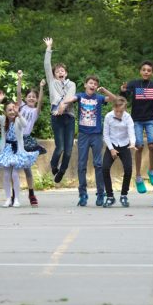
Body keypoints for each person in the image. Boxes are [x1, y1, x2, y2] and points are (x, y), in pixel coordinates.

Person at [61, 76, 117, 207]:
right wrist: (63, 103)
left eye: (95, 84)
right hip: (83, 135)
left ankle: (101, 193)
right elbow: (71, 99)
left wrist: (105, 91)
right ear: (85, 85)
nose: (93, 85)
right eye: (91, 83)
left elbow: (115, 99)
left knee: (98, 164)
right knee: (81, 165)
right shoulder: (80, 96)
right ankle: (82, 194)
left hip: (96, 135)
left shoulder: (99, 98)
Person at [120, 61, 153, 194]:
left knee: (151, 146)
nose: (146, 72)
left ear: (152, 73)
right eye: (144, 69)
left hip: (150, 119)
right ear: (140, 71)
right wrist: (123, 90)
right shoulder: (134, 83)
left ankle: (151, 170)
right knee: (139, 146)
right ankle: (138, 177)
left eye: (149, 70)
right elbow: (124, 97)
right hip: (136, 120)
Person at [0, 92, 39, 208]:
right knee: (6, 174)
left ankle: (16, 199)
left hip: (17, 150)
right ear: (5, 112)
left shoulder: (18, 120)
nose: (11, 112)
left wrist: (18, 114)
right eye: (9, 110)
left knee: (15, 174)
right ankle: (7, 199)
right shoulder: (2, 120)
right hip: (6, 150)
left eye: (13, 109)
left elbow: (25, 124)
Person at [44, 37, 76, 184]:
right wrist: (48, 48)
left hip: (69, 117)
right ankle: (53, 164)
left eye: (62, 71)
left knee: (68, 151)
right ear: (54, 74)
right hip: (56, 117)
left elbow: (70, 97)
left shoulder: (72, 84)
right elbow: (46, 64)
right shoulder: (52, 82)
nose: (60, 72)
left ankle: (62, 171)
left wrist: (62, 106)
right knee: (60, 147)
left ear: (66, 73)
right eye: (57, 71)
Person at [16, 70, 46, 207]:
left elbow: (41, 102)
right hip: (15, 139)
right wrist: (19, 79)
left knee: (27, 168)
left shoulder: (35, 112)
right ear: (26, 98)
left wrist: (41, 87)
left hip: (26, 140)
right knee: (14, 168)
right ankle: (14, 194)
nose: (32, 98)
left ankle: (31, 193)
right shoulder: (21, 106)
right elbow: (18, 93)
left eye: (34, 97)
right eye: (29, 96)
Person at [102, 96, 136, 207]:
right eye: (116, 111)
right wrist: (111, 149)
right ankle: (110, 196)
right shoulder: (108, 117)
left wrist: (132, 143)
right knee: (105, 168)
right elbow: (106, 135)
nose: (118, 113)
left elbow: (131, 131)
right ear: (113, 108)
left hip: (125, 145)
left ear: (125, 109)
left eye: (121, 111)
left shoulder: (128, 117)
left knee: (128, 169)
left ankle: (124, 195)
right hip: (112, 145)